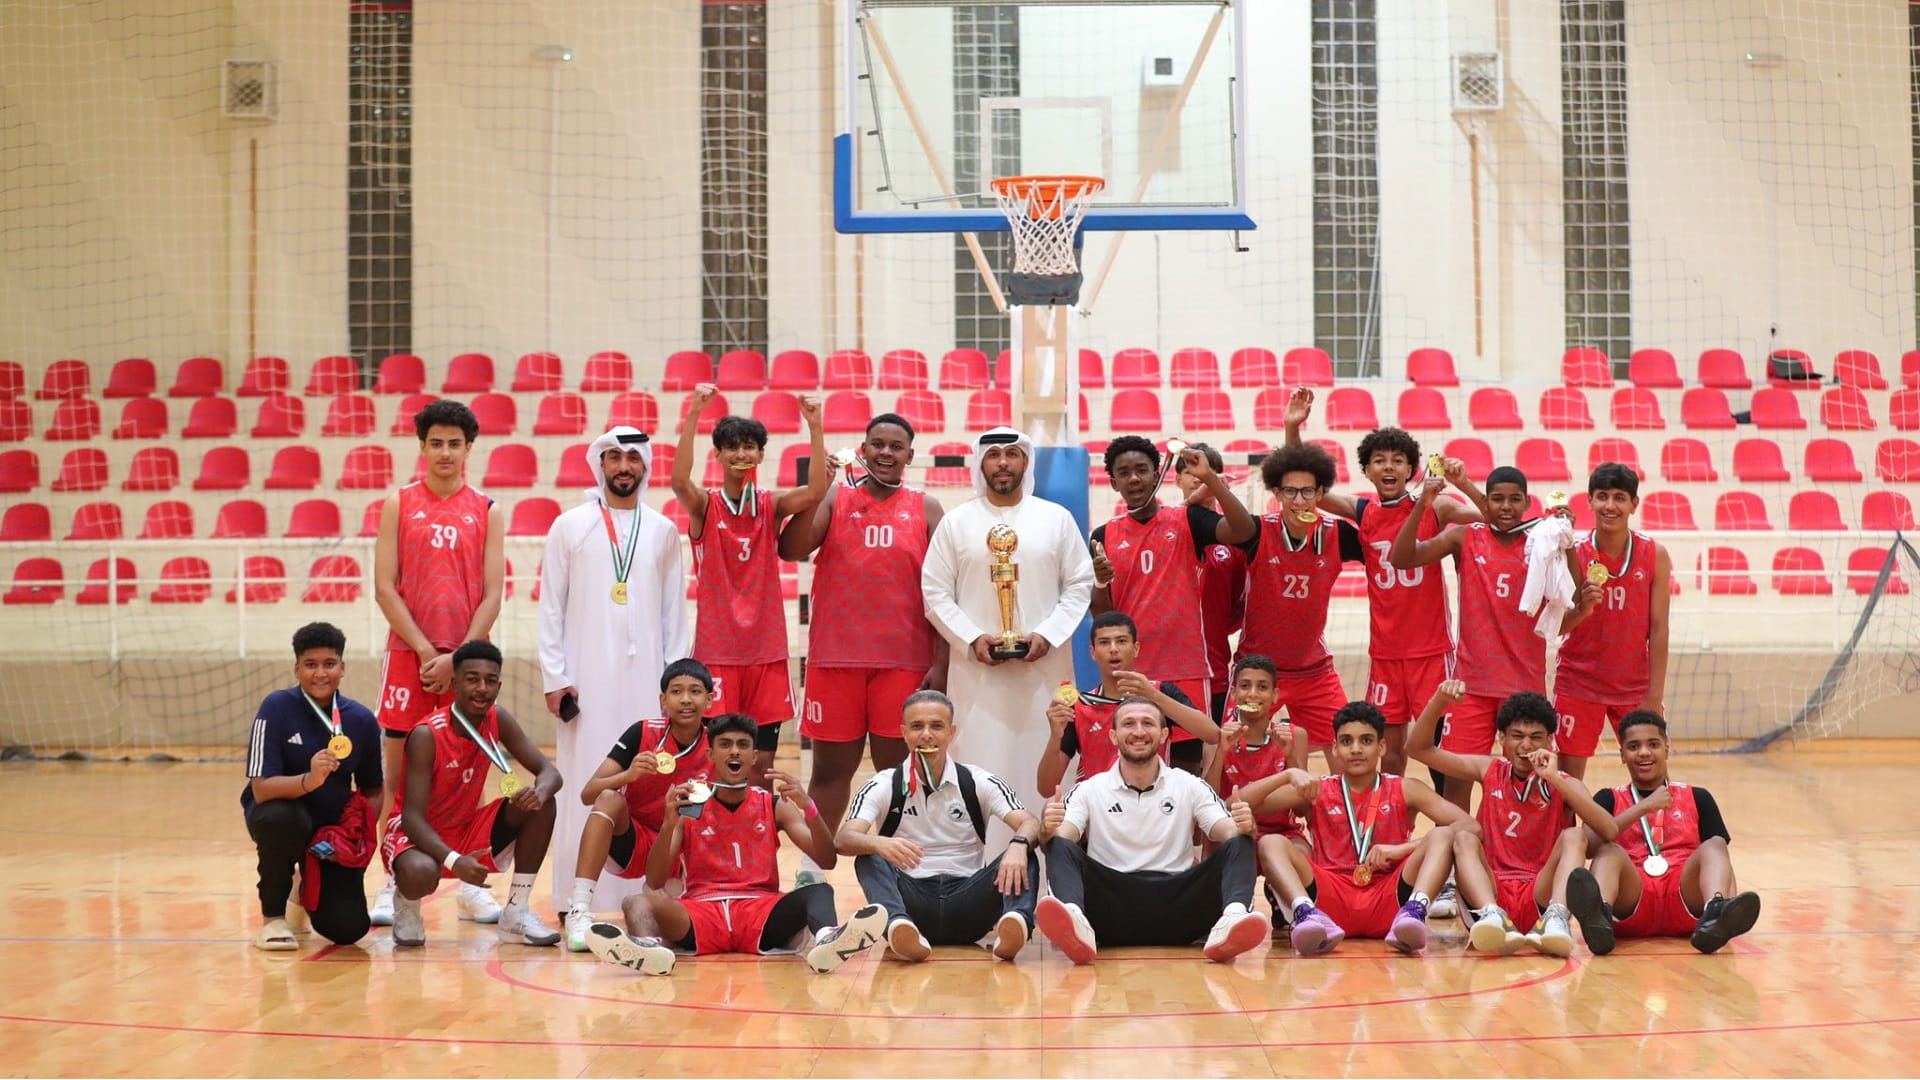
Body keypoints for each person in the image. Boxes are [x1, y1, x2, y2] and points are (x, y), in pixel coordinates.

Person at [778, 412, 947, 888]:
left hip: (905, 663)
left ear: (910, 457)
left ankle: (905, 872)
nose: (886, 453)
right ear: (865, 448)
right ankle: (814, 871)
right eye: (877, 444)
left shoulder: (928, 508)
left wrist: (941, 663)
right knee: (832, 774)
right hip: (836, 662)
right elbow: (790, 548)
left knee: (901, 778)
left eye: (896, 446)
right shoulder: (835, 496)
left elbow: (944, 594)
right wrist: (816, 490)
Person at [584, 713, 888, 975]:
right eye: (725, 745)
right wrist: (667, 824)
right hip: (701, 912)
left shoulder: (774, 804)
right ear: (710, 754)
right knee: (637, 901)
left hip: (762, 912)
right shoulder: (690, 806)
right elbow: (654, 880)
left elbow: (827, 860)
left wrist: (809, 808)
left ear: (754, 756)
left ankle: (827, 939)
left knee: (819, 889)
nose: (735, 752)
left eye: (743, 745)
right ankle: (648, 950)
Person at [1284, 387, 1483, 778]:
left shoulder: (1435, 507)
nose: (1388, 467)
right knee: (1390, 756)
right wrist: (1294, 429)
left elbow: (1489, 517)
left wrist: (1463, 482)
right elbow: (1306, 487)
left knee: (1438, 750)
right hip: (1387, 655)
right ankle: (1395, 830)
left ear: (1411, 470)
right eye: (1379, 460)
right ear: (1368, 470)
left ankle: (1447, 830)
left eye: (1397, 461)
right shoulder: (1363, 511)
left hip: (1431, 653)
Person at [538, 427, 690, 913]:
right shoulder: (569, 525)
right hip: (584, 683)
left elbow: (675, 613)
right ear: (599, 464)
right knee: (586, 776)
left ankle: (646, 896)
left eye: (633, 458)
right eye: (614, 458)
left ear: (645, 467)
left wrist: (674, 685)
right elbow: (551, 608)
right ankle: (575, 898)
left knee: (649, 783)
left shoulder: (664, 530)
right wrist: (555, 678)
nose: (624, 467)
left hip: (649, 683)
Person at [370, 398, 506, 926]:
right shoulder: (398, 504)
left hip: (466, 664)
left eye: (455, 443)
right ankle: (390, 883)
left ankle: (472, 886)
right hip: (410, 659)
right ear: (422, 447)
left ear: (469, 448)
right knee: (398, 781)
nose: (445, 452)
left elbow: (493, 594)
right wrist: (429, 653)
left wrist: (460, 659)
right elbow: (385, 588)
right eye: (436, 443)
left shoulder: (487, 508)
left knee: (472, 779)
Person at [922, 426, 1096, 822]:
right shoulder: (956, 523)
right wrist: (972, 639)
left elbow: (1079, 584)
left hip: (1045, 672)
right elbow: (934, 593)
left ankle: (1051, 873)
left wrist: (1048, 636)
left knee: (1050, 765)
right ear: (980, 462)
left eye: (1012, 454)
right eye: (994, 454)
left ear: (1026, 462)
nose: (1003, 462)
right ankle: (981, 872)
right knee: (979, 764)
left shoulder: (1057, 519)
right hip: (977, 677)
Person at [1387, 466, 1586, 809]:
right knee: (1456, 789)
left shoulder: (1542, 541)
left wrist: (1566, 540)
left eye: (1514, 499)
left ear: (1527, 503)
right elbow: (1401, 558)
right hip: (1471, 690)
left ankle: (1526, 856)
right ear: (1485, 502)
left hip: (1523, 689)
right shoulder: (1465, 536)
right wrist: (1422, 506)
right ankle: (1459, 859)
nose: (1505, 507)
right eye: (1497, 499)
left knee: (1534, 787)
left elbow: (1576, 602)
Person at [674, 383, 829, 786]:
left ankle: (756, 836)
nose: (741, 454)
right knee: (715, 761)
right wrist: (693, 413)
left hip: (766, 651)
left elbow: (815, 491)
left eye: (749, 447)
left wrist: (815, 426)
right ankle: (712, 842)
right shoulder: (705, 506)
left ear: (761, 454)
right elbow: (678, 483)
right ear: (720, 455)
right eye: (733, 447)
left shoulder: (770, 503)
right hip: (719, 651)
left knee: (760, 764)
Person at [1034, 697, 1268, 965]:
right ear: (1113, 736)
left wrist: (1244, 825)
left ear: (1164, 734)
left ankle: (1233, 920)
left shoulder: (1190, 785)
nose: (1139, 731)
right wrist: (1048, 829)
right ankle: (1075, 922)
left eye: (1148, 723)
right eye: (1128, 724)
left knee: (1242, 840)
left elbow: (1226, 831)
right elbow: (1064, 836)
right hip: (1110, 907)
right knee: (1059, 844)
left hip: (1179, 905)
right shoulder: (1089, 788)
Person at [1239, 702, 1474, 955]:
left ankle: (1415, 911)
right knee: (1271, 842)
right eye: (1347, 741)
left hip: (1390, 897)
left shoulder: (1407, 788)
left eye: (1366, 740)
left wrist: (1402, 849)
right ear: (1335, 749)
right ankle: (1305, 913)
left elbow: (1470, 826)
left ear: (1381, 747)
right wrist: (1288, 774)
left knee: (1442, 834)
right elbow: (1238, 802)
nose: (1356, 749)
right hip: (1330, 900)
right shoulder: (1317, 790)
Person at [1406, 682, 1621, 957]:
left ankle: (1555, 918)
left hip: (1539, 892)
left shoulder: (1562, 782)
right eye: (1517, 735)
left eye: (1536, 737)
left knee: (1574, 836)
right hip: (1490, 889)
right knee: (1463, 836)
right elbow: (1418, 750)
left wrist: (1554, 777)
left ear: (1550, 742)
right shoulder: (1489, 769)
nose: (1526, 745)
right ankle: (1492, 915)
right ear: (1501, 739)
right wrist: (1439, 700)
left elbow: (1609, 829)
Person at [1090, 435, 1256, 771]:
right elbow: (1103, 617)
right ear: (1113, 482)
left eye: (1142, 470)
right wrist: (1100, 579)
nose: (1134, 478)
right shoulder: (1102, 535)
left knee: (1188, 769)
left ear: (1157, 475)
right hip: (1132, 674)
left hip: (1186, 671)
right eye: (1124, 472)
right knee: (1134, 763)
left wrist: (1211, 480)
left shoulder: (1188, 521)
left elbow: (1243, 530)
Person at [385, 641, 565, 948]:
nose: (482, 688)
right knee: (421, 872)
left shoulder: (498, 718)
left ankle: (516, 912)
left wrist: (539, 793)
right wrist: (455, 861)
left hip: (467, 828)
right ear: (454, 684)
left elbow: (550, 773)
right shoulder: (427, 734)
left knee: (542, 804)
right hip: (416, 836)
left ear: (499, 685)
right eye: (472, 679)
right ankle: (405, 902)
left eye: (490, 680)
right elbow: (411, 818)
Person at [837, 690, 1040, 962]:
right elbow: (843, 838)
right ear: (904, 732)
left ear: (951, 732)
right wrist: (878, 842)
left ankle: (1015, 924)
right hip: (911, 905)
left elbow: (1029, 822)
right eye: (917, 726)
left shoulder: (978, 781)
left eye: (937, 726)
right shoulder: (883, 784)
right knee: (867, 857)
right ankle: (897, 927)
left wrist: (1017, 845)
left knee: (1025, 852)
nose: (927, 735)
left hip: (970, 902)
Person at [1565, 712, 1761, 955]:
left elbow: (1722, 865)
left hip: (1684, 895)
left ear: (1667, 749)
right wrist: (1642, 808)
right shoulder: (1608, 797)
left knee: (1715, 845)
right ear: (1622, 756)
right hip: (1632, 898)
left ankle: (1715, 914)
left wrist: (1730, 894)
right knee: (1608, 851)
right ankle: (1599, 918)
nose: (1644, 752)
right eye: (1633, 746)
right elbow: (1591, 848)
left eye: (1653, 744)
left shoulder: (1699, 797)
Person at [242, 622, 383, 949]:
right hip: (279, 817)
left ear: (342, 668)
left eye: (329, 664)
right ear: (297, 669)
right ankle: (273, 919)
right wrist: (309, 780)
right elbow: (261, 789)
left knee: (349, 930)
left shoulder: (360, 720)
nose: (320, 673)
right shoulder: (275, 708)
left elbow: (373, 789)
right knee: (281, 819)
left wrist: (356, 833)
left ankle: (299, 894)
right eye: (310, 665)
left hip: (330, 833)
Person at [561, 658, 716, 951]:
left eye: (695, 691)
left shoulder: (718, 741)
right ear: (663, 700)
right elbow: (587, 793)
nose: (685, 699)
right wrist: (627, 774)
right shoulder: (642, 733)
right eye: (676, 691)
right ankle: (579, 910)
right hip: (635, 842)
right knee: (608, 798)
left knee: (667, 928)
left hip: (683, 848)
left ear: (709, 699)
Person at [1232, 441, 1367, 770]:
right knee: (1239, 761)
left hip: (1314, 671)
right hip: (1257, 671)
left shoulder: (1339, 534)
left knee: (1349, 758)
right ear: (1276, 492)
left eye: (1307, 492)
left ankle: (1347, 821)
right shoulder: (1256, 531)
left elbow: (1386, 546)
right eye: (1290, 492)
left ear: (1321, 493)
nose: (1298, 500)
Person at [1553, 463, 1672, 779]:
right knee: (1568, 783)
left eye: (1620, 497)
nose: (1610, 506)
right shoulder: (1571, 553)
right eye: (1602, 496)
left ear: (1634, 504)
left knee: (1652, 776)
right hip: (1578, 683)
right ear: (1589, 501)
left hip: (1634, 686)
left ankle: (1654, 831)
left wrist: (1653, 697)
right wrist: (1582, 610)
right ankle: (1570, 832)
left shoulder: (1654, 554)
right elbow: (1554, 627)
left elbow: (1659, 630)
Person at [1036, 610, 1217, 797]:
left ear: (1136, 648)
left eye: (1121, 641)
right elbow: (1046, 789)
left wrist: (1153, 696)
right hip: (1097, 806)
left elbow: (1212, 735)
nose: (1113, 649)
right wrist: (1055, 736)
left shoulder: (1160, 693)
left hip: (1153, 801)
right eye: (1104, 643)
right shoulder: (1079, 706)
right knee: (1051, 812)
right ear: (1092, 652)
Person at [1204, 654, 1311, 937]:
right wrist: (1221, 753)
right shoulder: (1218, 735)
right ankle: (1235, 903)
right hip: (1234, 833)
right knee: (1209, 913)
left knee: (1306, 863)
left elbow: (1301, 806)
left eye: (1262, 687)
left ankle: (1283, 897)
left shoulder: (1293, 735)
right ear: (1234, 691)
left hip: (1282, 833)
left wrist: (1290, 758)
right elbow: (1210, 800)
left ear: (1275, 694)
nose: (1253, 693)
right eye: (1245, 686)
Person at [1172, 442, 1250, 726]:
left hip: (1215, 666)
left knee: (1216, 749)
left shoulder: (1236, 541)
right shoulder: (1167, 528)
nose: (1198, 477)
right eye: (1189, 471)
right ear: (1177, 479)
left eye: (1206, 472)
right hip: (1169, 666)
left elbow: (1240, 607)